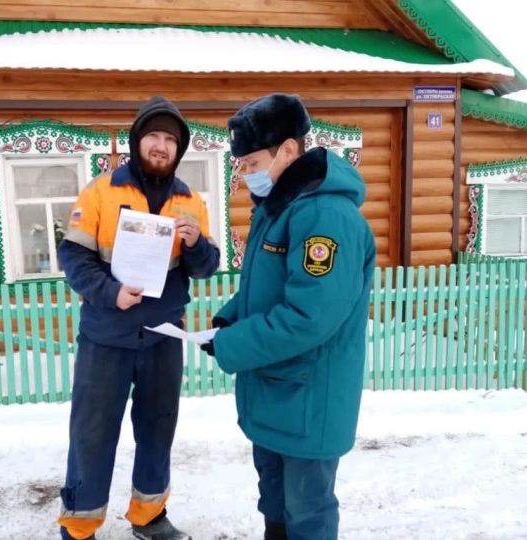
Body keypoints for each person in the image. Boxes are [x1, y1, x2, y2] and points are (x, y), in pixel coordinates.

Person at [201, 94, 376, 540]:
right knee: (276, 503)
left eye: (252, 162)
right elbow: (264, 290)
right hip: (278, 391)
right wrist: (227, 321)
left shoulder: (324, 216)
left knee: (308, 513)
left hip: (309, 396)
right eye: (241, 165)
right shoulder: (280, 206)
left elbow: (310, 316)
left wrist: (234, 346)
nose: (245, 175)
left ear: (289, 151)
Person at [57, 96, 220, 540]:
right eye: (154, 136)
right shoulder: (99, 192)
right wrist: (111, 293)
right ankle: (79, 523)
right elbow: (72, 255)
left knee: (158, 428)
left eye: (171, 139)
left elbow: (206, 267)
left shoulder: (191, 201)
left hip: (164, 336)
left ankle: (148, 516)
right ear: (137, 140)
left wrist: (196, 246)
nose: (161, 146)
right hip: (106, 337)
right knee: (92, 432)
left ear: (178, 149)